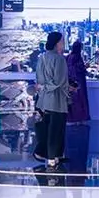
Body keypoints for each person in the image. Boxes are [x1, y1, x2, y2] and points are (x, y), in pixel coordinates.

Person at [34, 31, 70, 169]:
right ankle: (52, 159)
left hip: (44, 100)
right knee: (56, 130)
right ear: (57, 43)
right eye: (62, 41)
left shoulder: (42, 57)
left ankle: (55, 156)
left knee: (49, 129)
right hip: (56, 100)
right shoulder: (59, 59)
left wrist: (43, 88)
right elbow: (59, 81)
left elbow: (40, 79)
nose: (63, 43)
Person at [67, 41, 90, 124]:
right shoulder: (77, 57)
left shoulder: (68, 56)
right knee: (80, 100)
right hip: (79, 82)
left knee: (73, 101)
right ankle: (80, 119)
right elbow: (79, 69)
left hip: (70, 82)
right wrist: (85, 67)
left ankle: (72, 118)